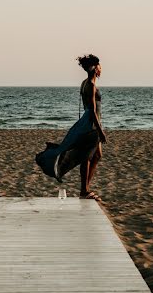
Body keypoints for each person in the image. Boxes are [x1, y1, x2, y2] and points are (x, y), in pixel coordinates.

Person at [34, 54, 107, 200]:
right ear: (95, 68)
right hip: (91, 124)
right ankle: (84, 191)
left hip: (90, 122)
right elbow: (92, 110)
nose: (101, 68)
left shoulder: (85, 83)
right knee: (87, 156)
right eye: (99, 65)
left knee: (97, 155)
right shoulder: (91, 85)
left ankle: (85, 188)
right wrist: (100, 131)